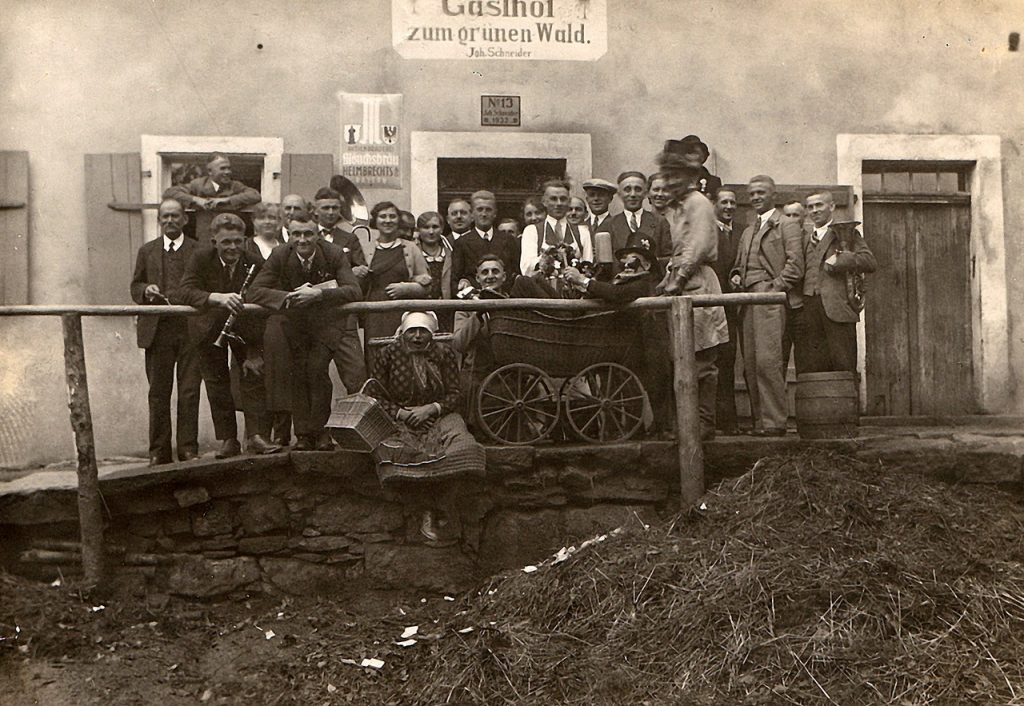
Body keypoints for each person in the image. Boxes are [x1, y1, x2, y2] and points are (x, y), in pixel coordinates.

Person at [247, 213, 363, 451]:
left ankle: (321, 433)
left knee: (317, 370)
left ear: (318, 235)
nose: (302, 239)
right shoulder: (280, 254)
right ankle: (303, 435)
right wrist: (287, 297)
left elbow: (354, 290)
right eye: (296, 234)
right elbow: (254, 292)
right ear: (288, 236)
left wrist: (320, 294)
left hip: (327, 324)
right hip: (296, 325)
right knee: (298, 373)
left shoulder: (333, 253)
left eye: (308, 233)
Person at [368, 311, 485, 542]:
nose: (418, 336)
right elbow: (374, 395)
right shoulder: (387, 354)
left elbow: (455, 394)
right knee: (394, 450)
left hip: (439, 415)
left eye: (423, 331)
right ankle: (427, 509)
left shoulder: (443, 354)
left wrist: (431, 409)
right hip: (400, 417)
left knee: (464, 448)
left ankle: (443, 503)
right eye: (413, 330)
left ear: (431, 335)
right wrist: (401, 412)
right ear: (403, 332)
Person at [172, 213, 281, 458]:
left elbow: (265, 297)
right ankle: (228, 440)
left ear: (245, 240)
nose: (232, 247)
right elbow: (184, 291)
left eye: (237, 242)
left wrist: (254, 350)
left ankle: (256, 436)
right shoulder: (201, 258)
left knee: (253, 379)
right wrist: (217, 297)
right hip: (209, 329)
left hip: (246, 331)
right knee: (217, 384)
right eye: (226, 242)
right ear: (214, 242)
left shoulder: (255, 262)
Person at [655, 141, 729, 441]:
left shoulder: (698, 202)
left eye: (676, 176)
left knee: (701, 361)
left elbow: (696, 248)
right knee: (683, 358)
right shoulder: (679, 207)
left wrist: (678, 278)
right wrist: (665, 282)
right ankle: (686, 423)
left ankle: (702, 425)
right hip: (681, 283)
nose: (671, 181)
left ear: (689, 176)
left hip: (697, 282)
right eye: (667, 176)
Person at [563, 245, 673, 436]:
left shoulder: (644, 282)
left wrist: (584, 280)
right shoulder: (620, 281)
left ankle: (663, 430)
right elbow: (607, 292)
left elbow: (618, 296)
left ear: (646, 265)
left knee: (656, 384)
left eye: (633, 258)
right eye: (624, 259)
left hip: (649, 339)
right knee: (629, 386)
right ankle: (635, 430)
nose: (627, 263)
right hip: (628, 342)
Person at [729, 175, 805, 436]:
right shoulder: (749, 230)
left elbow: (796, 266)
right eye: (752, 194)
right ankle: (760, 422)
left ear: (774, 196)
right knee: (750, 362)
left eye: (761, 192)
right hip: (746, 300)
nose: (756, 197)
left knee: (767, 361)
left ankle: (774, 422)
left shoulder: (786, 225)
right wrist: (736, 275)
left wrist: (775, 287)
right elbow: (739, 265)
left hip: (769, 299)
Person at [130, 198, 201, 466]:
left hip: (190, 330)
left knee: (190, 391)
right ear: (159, 220)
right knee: (159, 393)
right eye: (165, 217)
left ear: (184, 220)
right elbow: (135, 286)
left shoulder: (198, 250)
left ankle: (188, 449)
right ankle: (159, 451)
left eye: (175, 216)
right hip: (158, 331)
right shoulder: (147, 251)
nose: (170, 221)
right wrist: (145, 290)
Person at [798, 191, 877, 374]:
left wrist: (840, 260)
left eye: (819, 205)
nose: (815, 210)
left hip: (838, 310)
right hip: (810, 310)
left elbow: (869, 261)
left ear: (831, 206)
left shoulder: (848, 234)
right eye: (810, 207)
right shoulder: (805, 237)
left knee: (843, 366)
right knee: (815, 368)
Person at [311, 186, 370, 395]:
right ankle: (317, 428)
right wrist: (345, 275)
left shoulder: (349, 238)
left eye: (335, 208)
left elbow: (361, 277)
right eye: (325, 208)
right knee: (314, 376)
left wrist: (349, 276)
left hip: (344, 315)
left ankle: (358, 427)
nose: (330, 212)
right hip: (313, 318)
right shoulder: (305, 236)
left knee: (356, 376)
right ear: (315, 211)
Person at [362, 201, 432, 366]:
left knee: (402, 357)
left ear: (398, 221)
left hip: (402, 310)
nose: (388, 220)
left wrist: (406, 288)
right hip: (374, 312)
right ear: (375, 221)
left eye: (392, 216)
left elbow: (426, 283)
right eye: (383, 216)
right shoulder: (366, 248)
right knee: (376, 356)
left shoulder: (411, 248)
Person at [249, 202, 293, 446]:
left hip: (280, 319)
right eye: (263, 218)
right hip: (251, 320)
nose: (268, 222)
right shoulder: (246, 247)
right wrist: (282, 298)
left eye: (274, 218)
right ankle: (257, 434)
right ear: (254, 222)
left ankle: (282, 432)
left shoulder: (287, 249)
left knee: (282, 375)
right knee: (254, 377)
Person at [162, 154, 261, 239]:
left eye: (229, 168)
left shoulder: (235, 186)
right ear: (210, 171)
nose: (227, 172)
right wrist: (196, 200)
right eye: (223, 168)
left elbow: (255, 195)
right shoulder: (198, 185)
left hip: (230, 239)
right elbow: (169, 193)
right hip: (205, 238)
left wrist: (226, 200)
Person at [711, 189, 741, 435]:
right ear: (714, 205)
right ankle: (716, 421)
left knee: (730, 361)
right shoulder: (708, 232)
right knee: (715, 361)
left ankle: (731, 421)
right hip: (712, 304)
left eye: (732, 202)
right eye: (724, 202)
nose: (728, 206)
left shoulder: (742, 232)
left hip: (736, 306)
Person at [594, 171, 672, 265]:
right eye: (627, 189)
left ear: (645, 193)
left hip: (651, 278)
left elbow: (668, 258)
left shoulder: (659, 222)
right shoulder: (608, 225)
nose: (633, 194)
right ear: (619, 194)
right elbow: (602, 264)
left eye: (638, 189)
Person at [451, 190, 521, 293]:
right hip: (475, 302)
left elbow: (516, 273)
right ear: (472, 213)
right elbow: (456, 279)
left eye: (488, 210)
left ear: (495, 213)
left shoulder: (508, 240)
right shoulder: (461, 243)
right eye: (479, 209)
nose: (484, 214)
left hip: (505, 300)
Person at [520, 179, 593, 274]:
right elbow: (526, 266)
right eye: (553, 199)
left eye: (563, 199)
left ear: (568, 201)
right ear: (544, 202)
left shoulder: (582, 232)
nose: (558, 203)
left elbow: (588, 266)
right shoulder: (532, 231)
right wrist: (550, 261)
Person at [415, 211, 454, 331]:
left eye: (435, 227)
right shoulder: (412, 254)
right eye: (426, 227)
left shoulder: (451, 254)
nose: (431, 232)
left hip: (447, 310)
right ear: (419, 230)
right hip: (420, 310)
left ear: (442, 229)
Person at [672, 135, 722, 199]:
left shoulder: (713, 182)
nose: (694, 157)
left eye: (697, 153)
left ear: (703, 157)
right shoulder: (673, 181)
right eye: (689, 152)